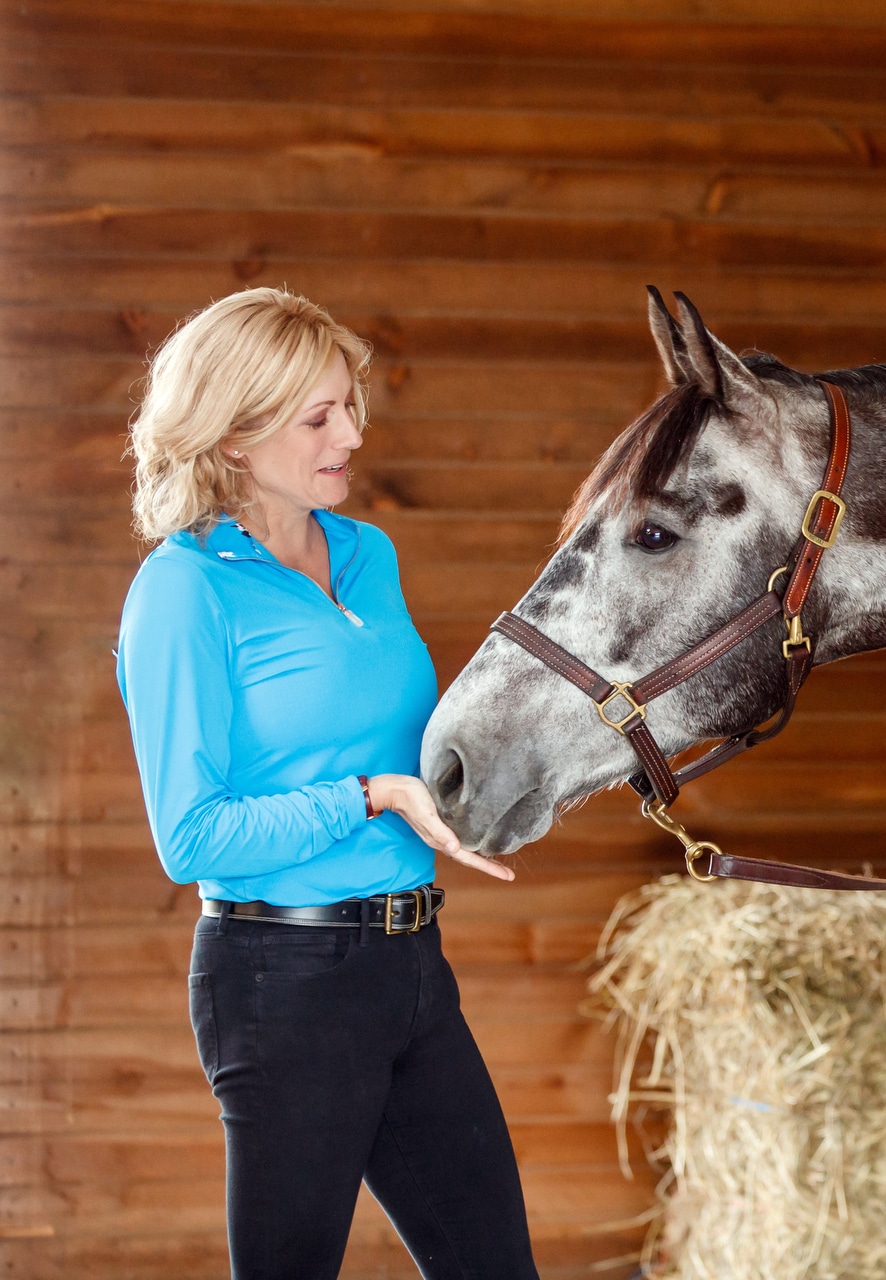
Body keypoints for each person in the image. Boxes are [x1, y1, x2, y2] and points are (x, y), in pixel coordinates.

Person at [116, 288, 538, 1279]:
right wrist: (369, 796)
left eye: (350, 403)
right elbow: (193, 837)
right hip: (281, 979)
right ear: (229, 436)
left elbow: (407, 743)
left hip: (412, 962)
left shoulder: (365, 552)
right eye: (318, 417)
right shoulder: (185, 590)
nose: (351, 432)